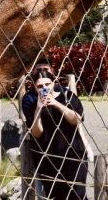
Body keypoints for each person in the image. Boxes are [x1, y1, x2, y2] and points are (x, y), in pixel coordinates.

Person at [22, 69, 88, 199]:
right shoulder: (30, 101)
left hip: (72, 154)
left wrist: (56, 103)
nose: (44, 88)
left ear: (54, 83)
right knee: (55, 196)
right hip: (48, 158)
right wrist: (38, 109)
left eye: (47, 84)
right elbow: (37, 132)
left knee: (77, 195)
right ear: (34, 87)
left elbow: (77, 119)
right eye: (40, 86)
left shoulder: (67, 96)